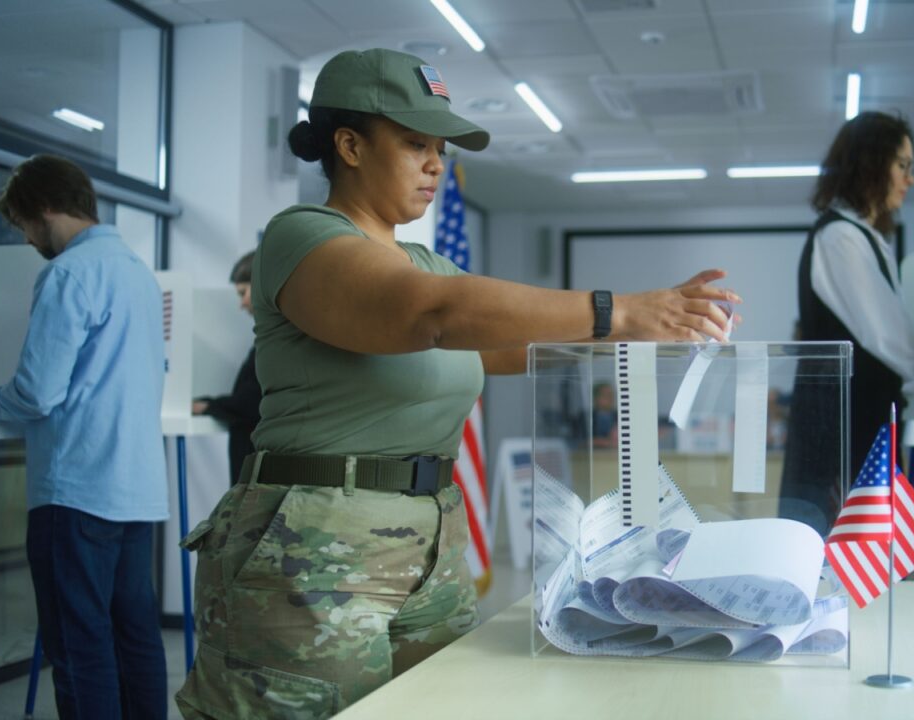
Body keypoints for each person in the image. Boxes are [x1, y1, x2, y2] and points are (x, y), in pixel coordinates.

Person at [175, 48, 738, 719]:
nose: (436, 163)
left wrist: (636, 331)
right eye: (415, 143)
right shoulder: (302, 238)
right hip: (315, 547)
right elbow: (431, 314)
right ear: (349, 145)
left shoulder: (425, 261)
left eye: (439, 147)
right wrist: (620, 308)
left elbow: (493, 349)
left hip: (429, 539)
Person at [0, 154, 168, 718]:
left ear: (44, 209)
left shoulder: (68, 274)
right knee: (135, 636)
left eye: (24, 225)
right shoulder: (137, 272)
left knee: (80, 646)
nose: (29, 239)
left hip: (76, 490)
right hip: (134, 490)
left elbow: (37, 392)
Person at [780, 111, 914, 534]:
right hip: (840, 434)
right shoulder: (840, 237)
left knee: (859, 570)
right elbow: (888, 338)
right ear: (871, 164)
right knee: (834, 565)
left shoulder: (863, 236)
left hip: (856, 429)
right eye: (902, 165)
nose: (910, 180)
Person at [191, 251, 261, 485]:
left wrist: (210, 406)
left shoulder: (272, 346)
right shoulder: (266, 342)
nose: (241, 304)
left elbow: (253, 402)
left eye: (244, 293)